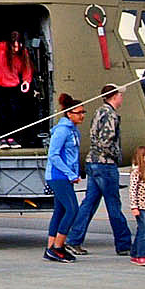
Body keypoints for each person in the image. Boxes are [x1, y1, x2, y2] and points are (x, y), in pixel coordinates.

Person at [65, 83, 133, 257]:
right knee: (113, 204)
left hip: (92, 162)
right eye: (120, 95)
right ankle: (124, 243)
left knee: (89, 203)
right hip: (105, 164)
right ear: (115, 96)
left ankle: (73, 239)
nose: (122, 98)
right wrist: (117, 156)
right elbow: (106, 142)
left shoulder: (99, 112)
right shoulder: (110, 114)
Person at [43, 93, 84, 262]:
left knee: (60, 211)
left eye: (83, 112)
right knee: (72, 209)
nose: (82, 115)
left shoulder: (73, 130)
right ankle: (58, 246)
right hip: (58, 175)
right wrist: (70, 173)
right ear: (69, 113)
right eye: (79, 112)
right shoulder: (62, 131)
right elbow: (53, 155)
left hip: (66, 176)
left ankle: (50, 247)